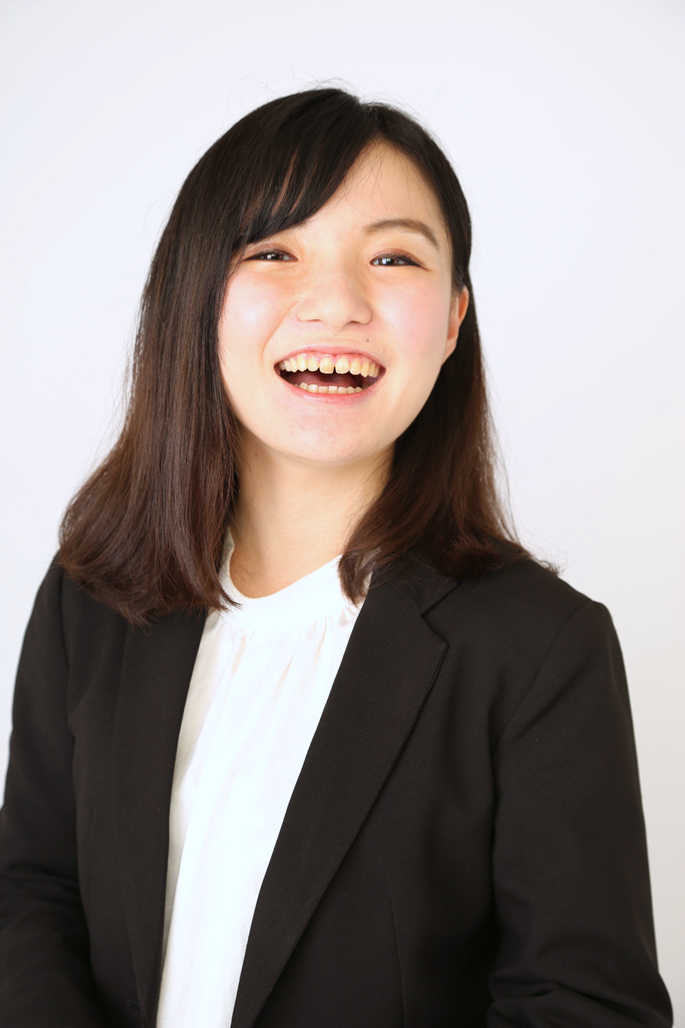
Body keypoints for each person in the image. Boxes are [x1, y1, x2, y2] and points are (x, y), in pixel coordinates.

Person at [0, 87, 673, 1028]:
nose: (336, 304)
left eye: (393, 258)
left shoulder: (540, 649)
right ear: (196, 297)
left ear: (452, 319)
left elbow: (584, 1006)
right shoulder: (92, 596)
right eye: (275, 252)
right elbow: (31, 894)